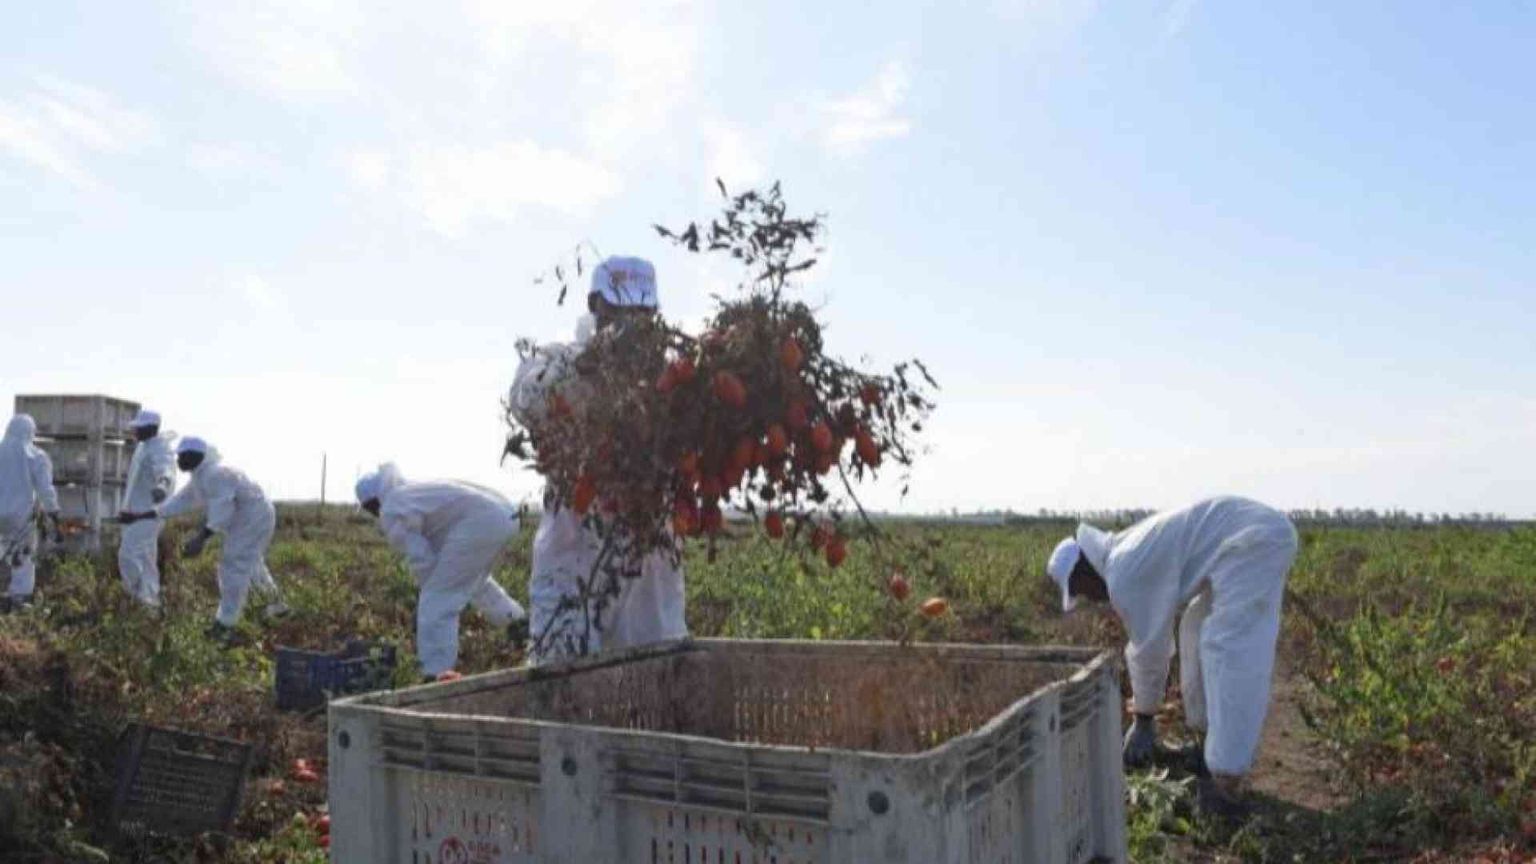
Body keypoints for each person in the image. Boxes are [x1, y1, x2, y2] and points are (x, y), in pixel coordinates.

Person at [1045, 495, 1298, 819]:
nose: (1088, 598)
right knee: (1195, 627)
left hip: (1253, 539)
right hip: (1243, 537)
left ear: (1084, 568)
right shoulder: (1123, 555)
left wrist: (1144, 719)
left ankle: (1225, 780)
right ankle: (1207, 740)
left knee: (1229, 647)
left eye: (1080, 589)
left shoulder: (1123, 572)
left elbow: (1150, 649)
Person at [508, 256, 687, 664]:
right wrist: (590, 362)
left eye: (641, 312)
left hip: (651, 575)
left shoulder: (672, 381)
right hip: (572, 563)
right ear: (594, 305)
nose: (631, 323)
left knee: (656, 687)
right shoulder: (557, 362)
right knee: (563, 690)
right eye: (619, 310)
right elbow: (525, 399)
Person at [354, 463, 529, 680]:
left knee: (437, 599)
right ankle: (522, 628)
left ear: (374, 501)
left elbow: (421, 558)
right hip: (505, 516)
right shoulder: (411, 491)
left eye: (369, 507)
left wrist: (425, 597)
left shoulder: (392, 508)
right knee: (478, 586)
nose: (372, 513)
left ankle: (435, 674)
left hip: (481, 523)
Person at [123, 437, 287, 641]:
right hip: (252, 517)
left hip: (253, 517)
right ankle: (275, 607)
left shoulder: (215, 474)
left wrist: (200, 539)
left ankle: (226, 625)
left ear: (195, 456)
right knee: (251, 563)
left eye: (182, 456)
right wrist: (139, 516)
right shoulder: (200, 479)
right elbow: (175, 504)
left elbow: (222, 509)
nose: (178, 461)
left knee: (232, 565)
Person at [0, 415, 62, 612]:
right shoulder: (35, 455)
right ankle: (18, 598)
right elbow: (45, 488)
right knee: (24, 555)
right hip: (20, 515)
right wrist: (53, 512)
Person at [116, 410, 176, 609]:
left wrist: (162, 485)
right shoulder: (144, 447)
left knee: (128, 555)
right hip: (134, 514)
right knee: (147, 559)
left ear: (151, 428)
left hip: (146, 515)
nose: (135, 430)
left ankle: (136, 599)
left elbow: (165, 469)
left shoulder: (160, 448)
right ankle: (151, 604)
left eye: (138, 427)